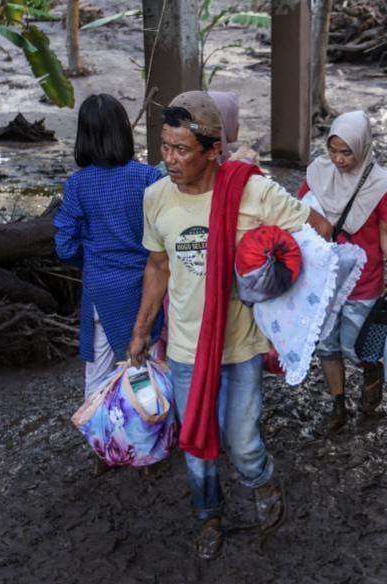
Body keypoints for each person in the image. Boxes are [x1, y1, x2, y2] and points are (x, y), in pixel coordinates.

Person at [128, 91, 332, 560]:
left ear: (214, 150)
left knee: (242, 443)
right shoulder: (156, 197)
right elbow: (157, 267)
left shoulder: (252, 191)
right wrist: (141, 330)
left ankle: (262, 484)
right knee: (196, 443)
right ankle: (209, 518)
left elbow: (318, 231)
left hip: (240, 348)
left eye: (182, 150)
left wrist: (276, 280)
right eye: (164, 147)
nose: (170, 160)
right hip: (184, 348)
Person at [298, 110, 387, 434]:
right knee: (325, 346)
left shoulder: (381, 186)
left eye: (346, 152)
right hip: (324, 278)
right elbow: (298, 217)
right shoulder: (317, 174)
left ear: (362, 148)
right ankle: (338, 406)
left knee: (356, 346)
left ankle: (371, 371)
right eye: (333, 150)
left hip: (364, 281)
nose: (338, 159)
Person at [53, 93, 163, 398]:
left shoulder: (77, 184)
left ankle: (103, 440)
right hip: (144, 288)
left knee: (98, 375)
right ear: (124, 131)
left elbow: (64, 246)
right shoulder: (149, 178)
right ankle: (146, 434)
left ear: (83, 136)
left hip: (100, 291)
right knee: (141, 367)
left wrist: (91, 262)